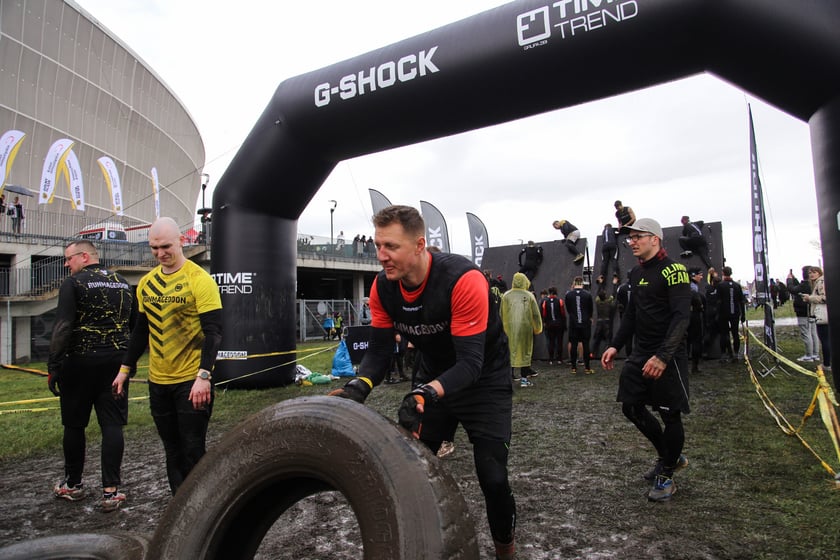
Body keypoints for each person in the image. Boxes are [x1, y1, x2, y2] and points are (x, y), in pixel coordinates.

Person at [329, 205, 517, 560]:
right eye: (378, 245)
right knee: (410, 469)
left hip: (483, 380)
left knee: (492, 478)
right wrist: (360, 385)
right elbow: (380, 353)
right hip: (433, 376)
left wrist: (425, 392)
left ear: (419, 245)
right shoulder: (383, 287)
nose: (381, 256)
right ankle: (417, 544)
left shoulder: (463, 279)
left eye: (391, 247)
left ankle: (506, 551)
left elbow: (470, 364)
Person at [116, 217, 222, 495]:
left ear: (181, 241)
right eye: (154, 248)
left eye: (165, 246)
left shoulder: (200, 280)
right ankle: (180, 506)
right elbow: (141, 331)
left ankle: (204, 506)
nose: (160, 253)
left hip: (191, 381)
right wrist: (125, 369)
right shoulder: (146, 284)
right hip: (158, 381)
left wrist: (204, 376)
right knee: (171, 449)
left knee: (193, 449)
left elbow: (214, 332)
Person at [600, 218, 691, 502]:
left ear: (655, 239)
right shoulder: (635, 273)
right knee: (631, 408)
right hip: (640, 353)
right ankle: (669, 457)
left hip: (668, 354)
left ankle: (666, 475)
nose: (632, 242)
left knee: (669, 415)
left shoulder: (675, 271)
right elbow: (631, 315)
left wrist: (663, 357)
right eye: (630, 238)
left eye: (638, 236)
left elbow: (681, 317)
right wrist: (615, 345)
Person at [48, 240, 135, 512]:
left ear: (85, 257)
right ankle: (111, 492)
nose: (66, 264)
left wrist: (53, 365)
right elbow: (133, 325)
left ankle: (73, 485)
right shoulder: (122, 283)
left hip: (80, 364)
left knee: (74, 425)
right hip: (116, 364)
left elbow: (63, 326)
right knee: (112, 425)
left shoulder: (74, 284)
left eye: (68, 259)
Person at [502, 272, 543, 387]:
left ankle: (509, 378)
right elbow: (535, 313)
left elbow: (502, 313)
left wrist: (503, 328)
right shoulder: (529, 295)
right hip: (526, 328)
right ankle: (524, 380)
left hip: (509, 329)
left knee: (510, 351)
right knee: (525, 352)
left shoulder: (506, 295)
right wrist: (537, 327)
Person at [802, 266, 832, 381]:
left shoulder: (821, 282)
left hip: (823, 315)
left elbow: (825, 298)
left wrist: (810, 298)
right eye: (810, 273)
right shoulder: (817, 283)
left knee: (825, 340)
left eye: (814, 272)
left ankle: (827, 363)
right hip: (820, 315)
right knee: (825, 339)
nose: (811, 274)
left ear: (819, 273)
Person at [787, 266, 819, 362]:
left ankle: (809, 355)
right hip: (813, 312)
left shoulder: (804, 285)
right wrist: (794, 279)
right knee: (814, 333)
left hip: (803, 312)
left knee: (806, 333)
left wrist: (789, 280)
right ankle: (815, 354)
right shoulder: (813, 284)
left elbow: (792, 289)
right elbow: (798, 287)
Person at [716, 266, 746, 362]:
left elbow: (718, 301)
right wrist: (743, 315)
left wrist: (717, 313)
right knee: (735, 333)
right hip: (735, 313)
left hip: (723, 313)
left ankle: (724, 354)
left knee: (724, 334)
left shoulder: (720, 286)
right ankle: (736, 354)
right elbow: (741, 301)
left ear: (723, 273)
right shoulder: (737, 285)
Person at [565, 276, 594, 374]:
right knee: (586, 344)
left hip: (573, 323)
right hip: (585, 323)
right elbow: (590, 309)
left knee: (573, 344)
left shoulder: (569, 295)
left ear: (574, 283)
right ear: (582, 283)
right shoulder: (587, 295)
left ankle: (573, 367)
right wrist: (589, 317)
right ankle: (587, 368)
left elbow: (568, 309)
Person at [687, 267, 706, 373]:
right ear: (693, 276)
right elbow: (698, 303)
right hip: (694, 316)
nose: (702, 277)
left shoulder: (683, 287)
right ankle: (694, 366)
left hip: (685, 316)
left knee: (686, 342)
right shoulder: (694, 289)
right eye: (700, 275)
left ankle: (686, 366)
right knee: (695, 341)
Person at [541, 286, 566, 365]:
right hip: (559, 324)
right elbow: (563, 313)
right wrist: (564, 324)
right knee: (559, 341)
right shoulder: (560, 301)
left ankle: (551, 359)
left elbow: (544, 314)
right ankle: (559, 359)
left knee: (551, 341)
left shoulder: (545, 302)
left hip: (549, 324)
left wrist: (545, 322)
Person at [590, 288, 616, 361]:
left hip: (599, 322)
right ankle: (607, 354)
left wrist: (600, 285)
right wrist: (615, 285)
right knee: (608, 339)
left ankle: (592, 353)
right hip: (607, 322)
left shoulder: (597, 302)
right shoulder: (608, 302)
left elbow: (598, 295)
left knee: (596, 340)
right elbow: (613, 295)